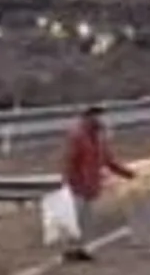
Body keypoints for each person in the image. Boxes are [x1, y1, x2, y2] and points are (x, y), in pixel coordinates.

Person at [59, 105, 137, 261]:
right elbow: (69, 160)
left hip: (90, 185)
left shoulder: (98, 139)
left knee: (87, 219)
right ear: (89, 117)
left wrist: (129, 174)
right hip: (77, 184)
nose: (102, 119)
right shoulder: (77, 136)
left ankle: (82, 249)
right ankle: (70, 249)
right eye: (98, 115)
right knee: (75, 217)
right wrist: (66, 182)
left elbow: (109, 160)